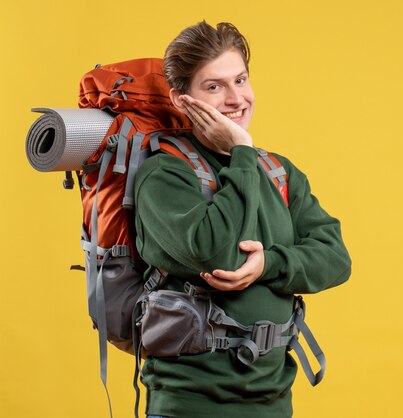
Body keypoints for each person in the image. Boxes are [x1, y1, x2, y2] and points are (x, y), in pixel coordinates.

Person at [133, 21, 351, 418]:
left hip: (273, 404)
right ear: (183, 101)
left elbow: (335, 258)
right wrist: (242, 153)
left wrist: (270, 263)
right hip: (188, 407)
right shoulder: (164, 175)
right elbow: (215, 250)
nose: (236, 98)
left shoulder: (278, 171)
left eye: (241, 80)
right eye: (214, 86)